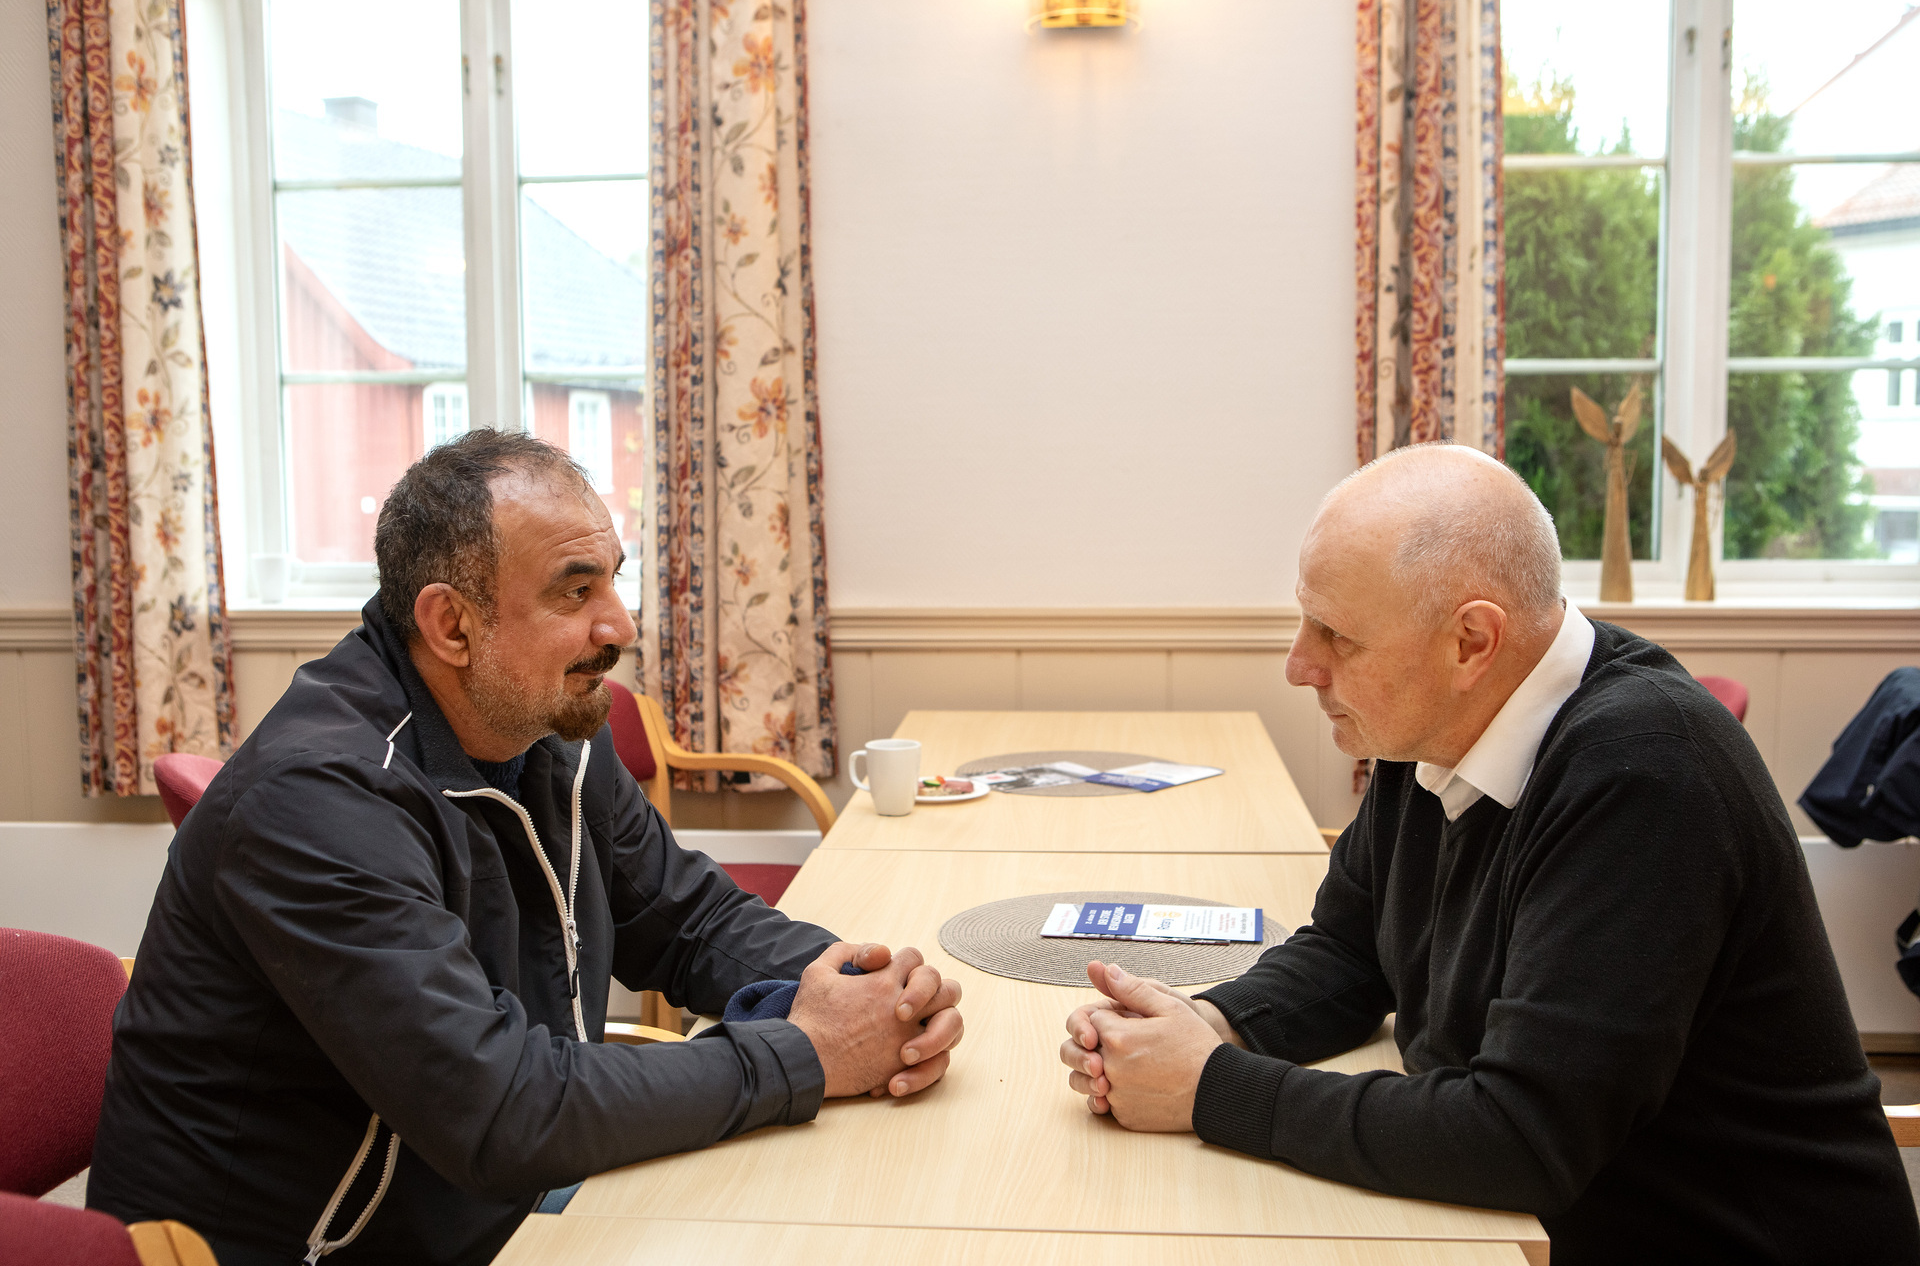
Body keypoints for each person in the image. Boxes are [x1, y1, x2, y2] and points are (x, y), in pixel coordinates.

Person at [89, 431, 963, 1266]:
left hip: (482, 1208)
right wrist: (807, 1053)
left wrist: (865, 988)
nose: (620, 627)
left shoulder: (542, 727)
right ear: (451, 625)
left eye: (614, 581)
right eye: (574, 593)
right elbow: (499, 1110)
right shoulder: (316, 800)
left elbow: (687, 921)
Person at [1059, 443, 1920, 1264]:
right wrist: (1209, 1025)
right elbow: (1352, 952)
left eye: (1337, 635)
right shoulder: (1432, 721)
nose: (1299, 665)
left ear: (1471, 642)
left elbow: (1522, 1136)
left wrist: (1211, 1088)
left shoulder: (1646, 770)